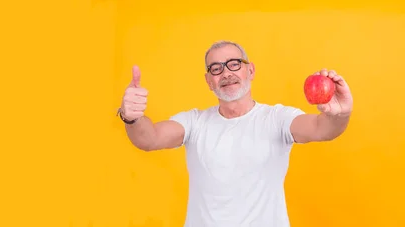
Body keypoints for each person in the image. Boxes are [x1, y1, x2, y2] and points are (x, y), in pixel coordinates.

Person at [116, 40, 353, 227]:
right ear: (209, 81)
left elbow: (322, 129)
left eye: (234, 64)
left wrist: (339, 114)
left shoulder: (277, 119)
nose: (226, 73)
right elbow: (149, 139)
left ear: (251, 70)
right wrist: (132, 117)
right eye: (216, 68)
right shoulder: (194, 122)